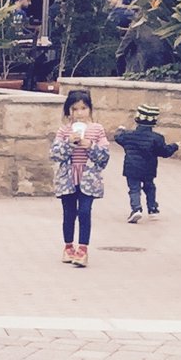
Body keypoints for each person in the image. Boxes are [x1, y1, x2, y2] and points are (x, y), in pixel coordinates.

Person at [51, 88, 111, 267]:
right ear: (68, 111)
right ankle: (68, 246)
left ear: (90, 110)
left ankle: (83, 248)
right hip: (67, 178)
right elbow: (55, 155)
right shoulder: (63, 131)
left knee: (84, 212)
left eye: (83, 108)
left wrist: (89, 145)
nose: (79, 113)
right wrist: (69, 143)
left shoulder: (97, 130)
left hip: (88, 178)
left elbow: (104, 157)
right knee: (69, 213)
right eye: (75, 109)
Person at [114, 103, 178, 223]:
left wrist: (120, 129)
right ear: (154, 122)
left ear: (137, 119)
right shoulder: (156, 138)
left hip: (131, 167)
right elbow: (164, 152)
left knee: (134, 189)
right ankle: (152, 208)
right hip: (148, 169)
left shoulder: (128, 135)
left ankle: (136, 209)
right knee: (149, 187)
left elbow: (118, 137)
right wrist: (175, 146)